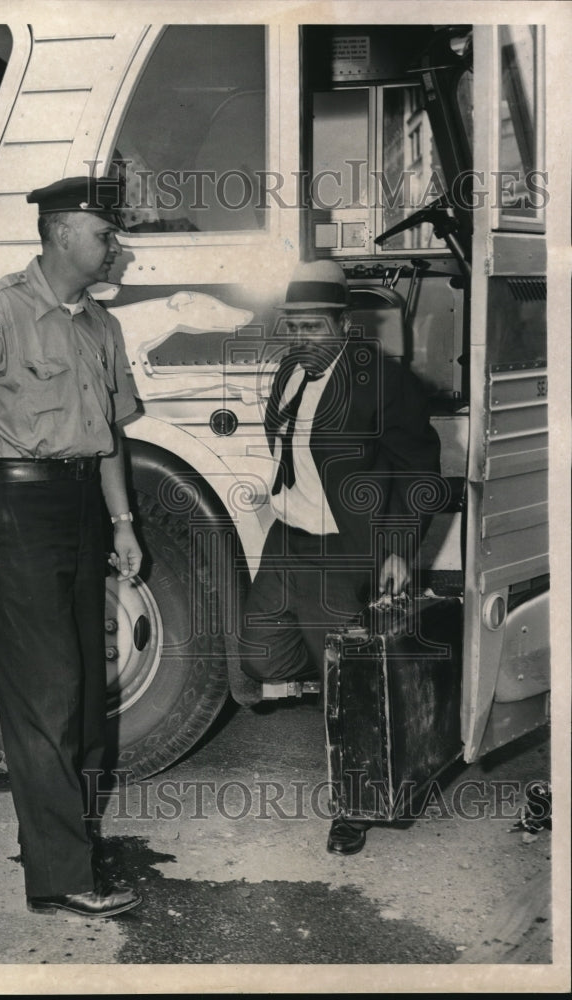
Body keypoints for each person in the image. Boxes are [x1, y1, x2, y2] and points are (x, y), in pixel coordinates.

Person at [0, 175, 143, 918]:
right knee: (46, 692)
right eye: (106, 233)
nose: (116, 246)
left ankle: (63, 836)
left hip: (81, 507)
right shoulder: (0, 308)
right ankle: (61, 874)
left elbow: (110, 439)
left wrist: (127, 525)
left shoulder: (102, 328)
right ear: (63, 232)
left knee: (82, 687)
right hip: (14, 509)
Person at [239, 259, 441, 856]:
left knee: (347, 682)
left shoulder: (381, 378)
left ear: (343, 324)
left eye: (313, 327)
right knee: (261, 657)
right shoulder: (288, 372)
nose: (301, 339)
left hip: (346, 545)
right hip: (289, 538)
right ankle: (347, 672)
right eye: (293, 326)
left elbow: (420, 469)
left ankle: (354, 806)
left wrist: (401, 547)